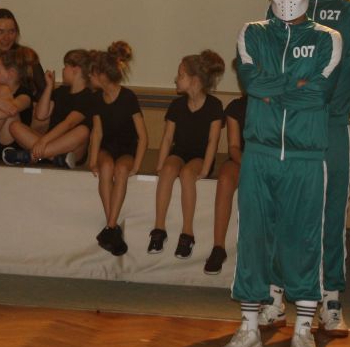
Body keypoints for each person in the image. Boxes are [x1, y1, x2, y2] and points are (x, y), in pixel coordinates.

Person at [220, 0, 342, 347]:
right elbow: (253, 83)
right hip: (260, 154)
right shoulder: (251, 33)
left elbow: (319, 94)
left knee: (304, 239)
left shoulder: (328, 39)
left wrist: (276, 86)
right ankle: (249, 328)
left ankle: (303, 333)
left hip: (306, 158)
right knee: (253, 237)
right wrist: (295, 83)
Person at [259, 0, 350, 339]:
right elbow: (269, 61)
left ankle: (330, 299)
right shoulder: (282, 1)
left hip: (329, 126)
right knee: (281, 210)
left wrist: (315, 106)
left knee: (330, 213)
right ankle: (274, 296)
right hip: (286, 127)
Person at [149, 50, 225, 260]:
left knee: (187, 174)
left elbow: (213, 141)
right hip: (180, 152)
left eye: (180, 75)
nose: (176, 78)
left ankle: (187, 233)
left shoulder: (214, 106)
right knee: (168, 169)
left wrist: (205, 169)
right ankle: (159, 228)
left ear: (195, 80)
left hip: (200, 156)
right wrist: (160, 165)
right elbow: (167, 138)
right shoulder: (177, 106)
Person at [88, 41, 147, 257]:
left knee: (121, 170)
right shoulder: (96, 99)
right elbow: (97, 133)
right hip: (107, 146)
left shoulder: (128, 97)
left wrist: (137, 165)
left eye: (92, 73)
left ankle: (110, 228)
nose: (89, 77)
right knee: (106, 167)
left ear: (102, 75)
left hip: (126, 148)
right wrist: (92, 160)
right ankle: (112, 228)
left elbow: (143, 136)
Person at [2, 48, 95, 168]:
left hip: (73, 150)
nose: (63, 70)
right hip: (50, 143)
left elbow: (69, 123)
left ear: (75, 69)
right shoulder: (61, 92)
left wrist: (43, 141)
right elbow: (40, 115)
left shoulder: (89, 96)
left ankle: (31, 156)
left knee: (83, 131)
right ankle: (55, 158)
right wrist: (49, 87)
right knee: (14, 126)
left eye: (65, 67)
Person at [206, 62, 246, 275]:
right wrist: (248, 164)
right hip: (243, 159)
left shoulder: (274, 103)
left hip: (269, 159)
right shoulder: (235, 108)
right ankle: (218, 247)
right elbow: (234, 147)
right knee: (226, 177)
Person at [0, 46, 41, 159]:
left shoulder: (25, 94)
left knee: (2, 90)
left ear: (11, 73)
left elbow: (9, 111)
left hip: (10, 146)